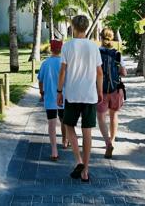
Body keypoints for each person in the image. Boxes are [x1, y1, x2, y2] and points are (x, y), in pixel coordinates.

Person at [57, 15, 103, 182]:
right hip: (89, 94)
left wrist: (59, 91)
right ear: (86, 27)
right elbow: (99, 73)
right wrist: (100, 91)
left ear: (73, 27)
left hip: (72, 94)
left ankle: (78, 161)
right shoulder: (93, 46)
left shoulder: (67, 46)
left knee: (69, 125)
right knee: (87, 131)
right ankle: (86, 171)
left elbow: (63, 71)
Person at [97, 28, 127, 159]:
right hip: (115, 89)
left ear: (101, 37)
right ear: (112, 38)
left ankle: (107, 143)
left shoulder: (97, 53)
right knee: (113, 115)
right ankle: (113, 140)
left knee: (101, 117)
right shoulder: (117, 54)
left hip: (101, 90)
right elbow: (124, 73)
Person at [38, 39, 65, 161]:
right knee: (64, 120)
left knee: (51, 124)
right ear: (61, 50)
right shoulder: (64, 63)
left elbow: (40, 80)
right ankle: (65, 140)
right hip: (63, 97)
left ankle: (54, 150)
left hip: (49, 97)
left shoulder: (45, 63)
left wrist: (42, 93)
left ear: (51, 49)